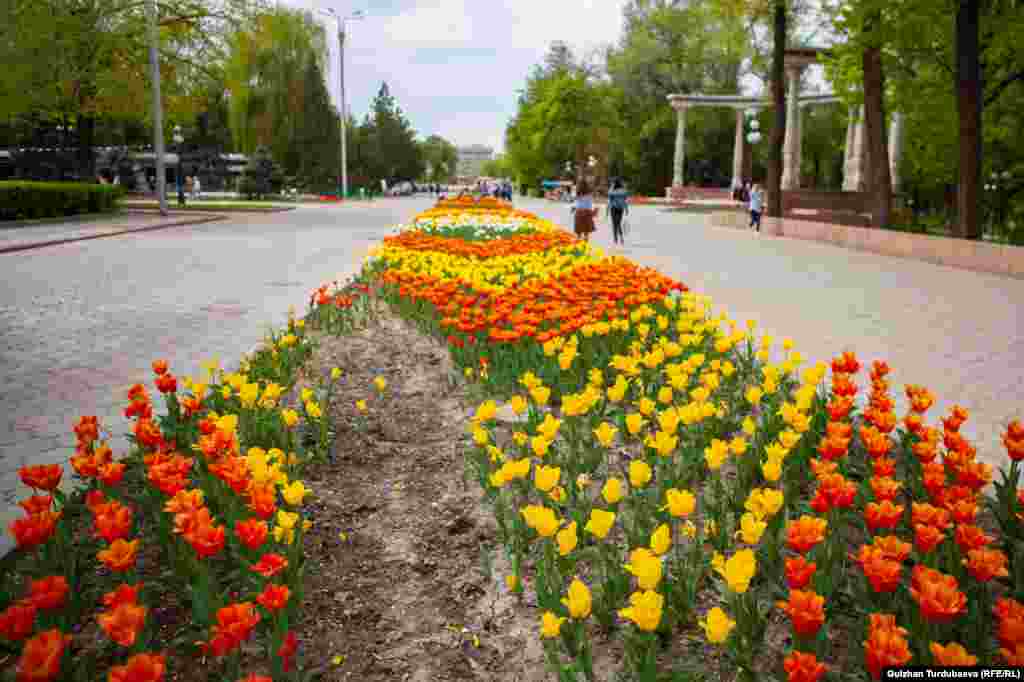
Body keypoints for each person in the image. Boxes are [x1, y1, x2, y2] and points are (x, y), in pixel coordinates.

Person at [607, 178, 629, 245]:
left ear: (614, 183)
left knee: (614, 224)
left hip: (613, 208)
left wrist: (607, 210)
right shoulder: (623, 191)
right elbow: (625, 200)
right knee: (618, 223)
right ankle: (621, 237)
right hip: (620, 208)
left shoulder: (612, 190)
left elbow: (610, 201)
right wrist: (626, 209)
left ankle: (615, 238)